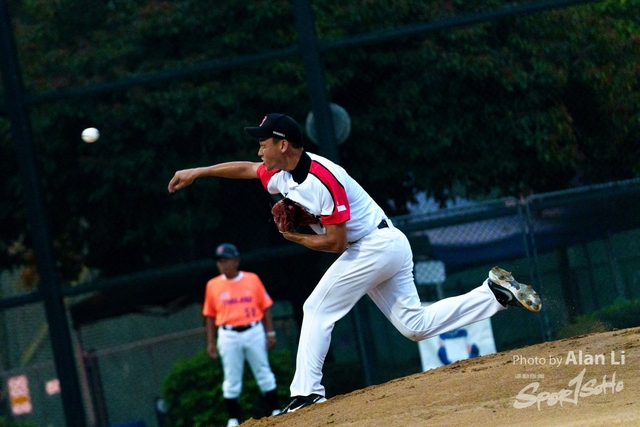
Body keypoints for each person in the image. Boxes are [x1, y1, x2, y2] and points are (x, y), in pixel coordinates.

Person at [169, 113, 542, 415]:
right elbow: (247, 170)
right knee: (414, 325)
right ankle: (493, 294)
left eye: (263, 143)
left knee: (316, 307)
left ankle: (306, 394)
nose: (259, 150)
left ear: (283, 145)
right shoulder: (280, 172)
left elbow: (336, 242)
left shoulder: (322, 179)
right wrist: (197, 173)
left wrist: (296, 235)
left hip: (375, 246)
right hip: (383, 245)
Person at [202, 243, 281, 427]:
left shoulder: (252, 279)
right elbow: (209, 316)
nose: (222, 264)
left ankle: (276, 410)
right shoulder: (213, 285)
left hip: (253, 330)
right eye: (219, 261)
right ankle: (233, 419)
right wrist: (210, 343)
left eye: (225, 260)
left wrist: (270, 332)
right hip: (228, 334)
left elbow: (265, 307)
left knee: (263, 371)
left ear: (236, 261)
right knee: (231, 377)